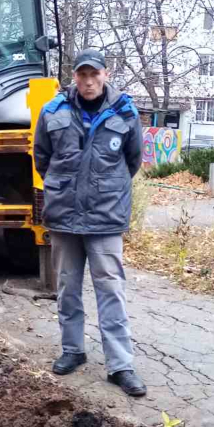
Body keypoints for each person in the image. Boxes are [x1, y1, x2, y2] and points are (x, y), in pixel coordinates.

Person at [33, 48, 146, 397]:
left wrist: (103, 190)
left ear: (106, 74)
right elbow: (42, 158)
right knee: (67, 287)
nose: (88, 80)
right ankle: (73, 350)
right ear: (74, 76)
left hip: (105, 218)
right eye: (82, 74)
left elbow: (133, 161)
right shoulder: (53, 110)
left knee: (110, 289)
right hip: (65, 217)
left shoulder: (125, 111)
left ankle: (120, 365)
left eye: (94, 74)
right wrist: (64, 187)